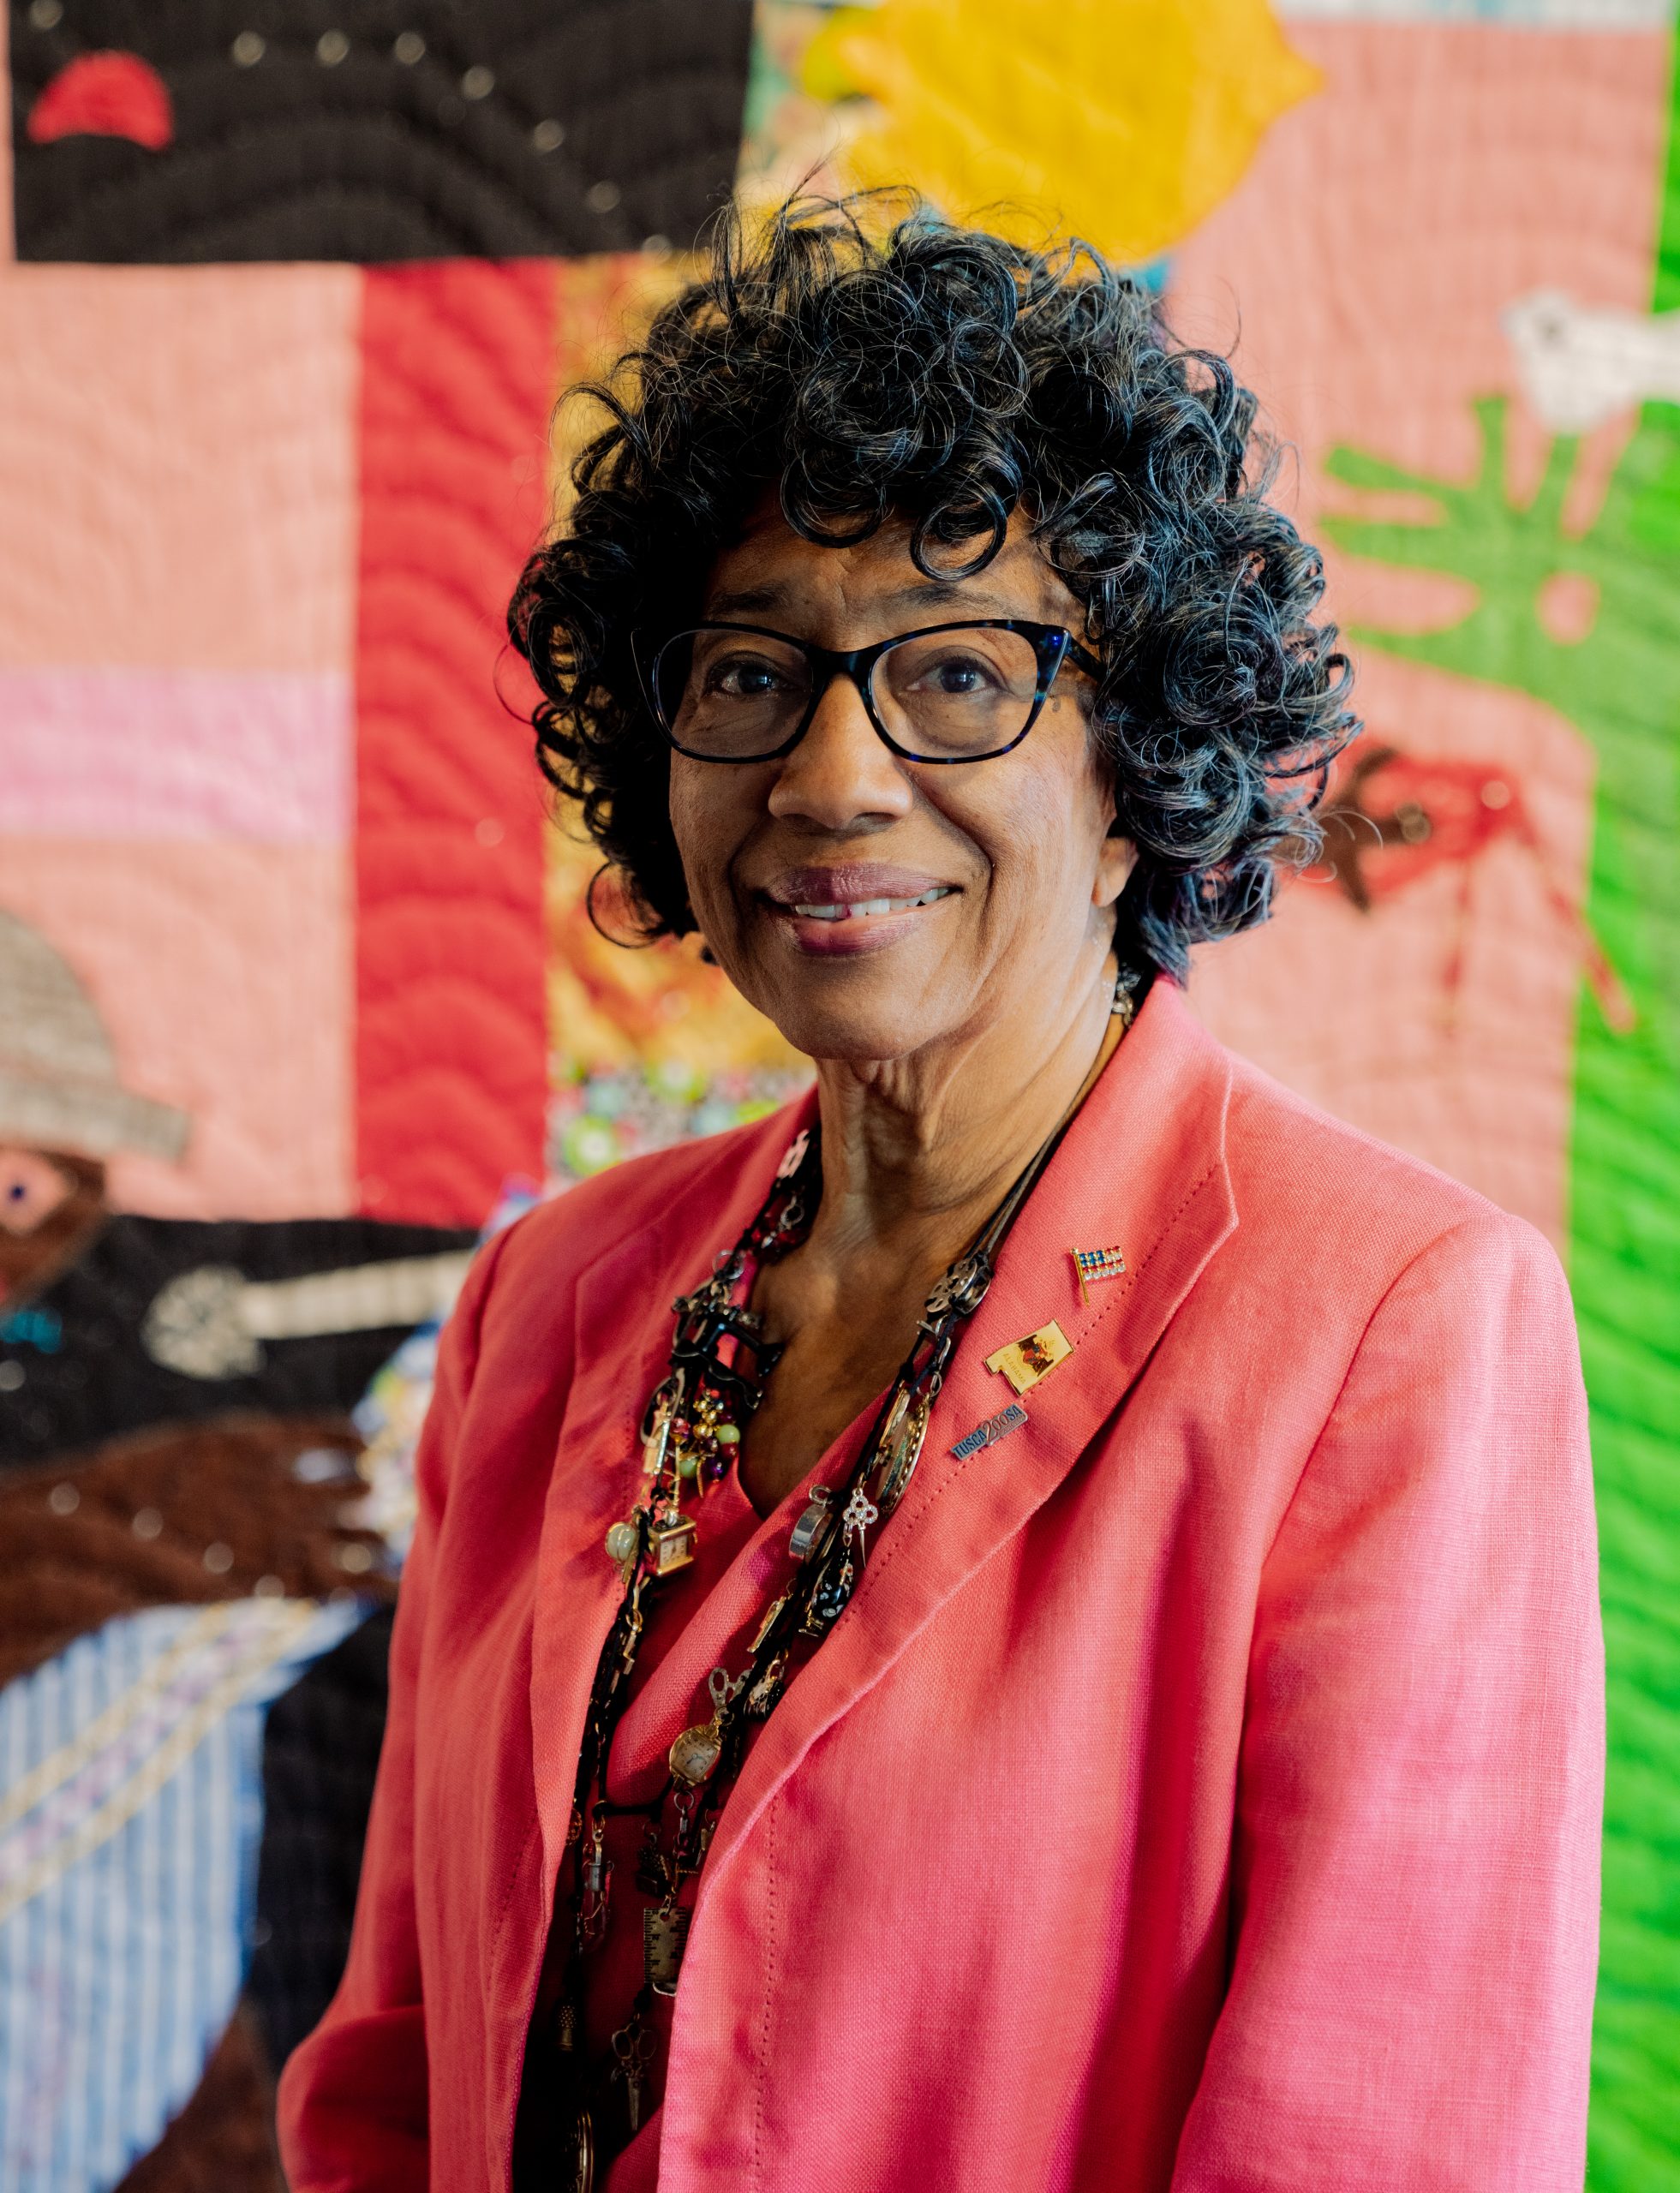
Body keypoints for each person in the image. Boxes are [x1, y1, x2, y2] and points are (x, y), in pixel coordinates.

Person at [277, 200, 1603, 2191]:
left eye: (960, 675)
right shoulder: (547, 1300)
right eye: (749, 671)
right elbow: (391, 2073)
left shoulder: (1393, 1325)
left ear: (1138, 754)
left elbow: (1376, 2138)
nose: (831, 776)